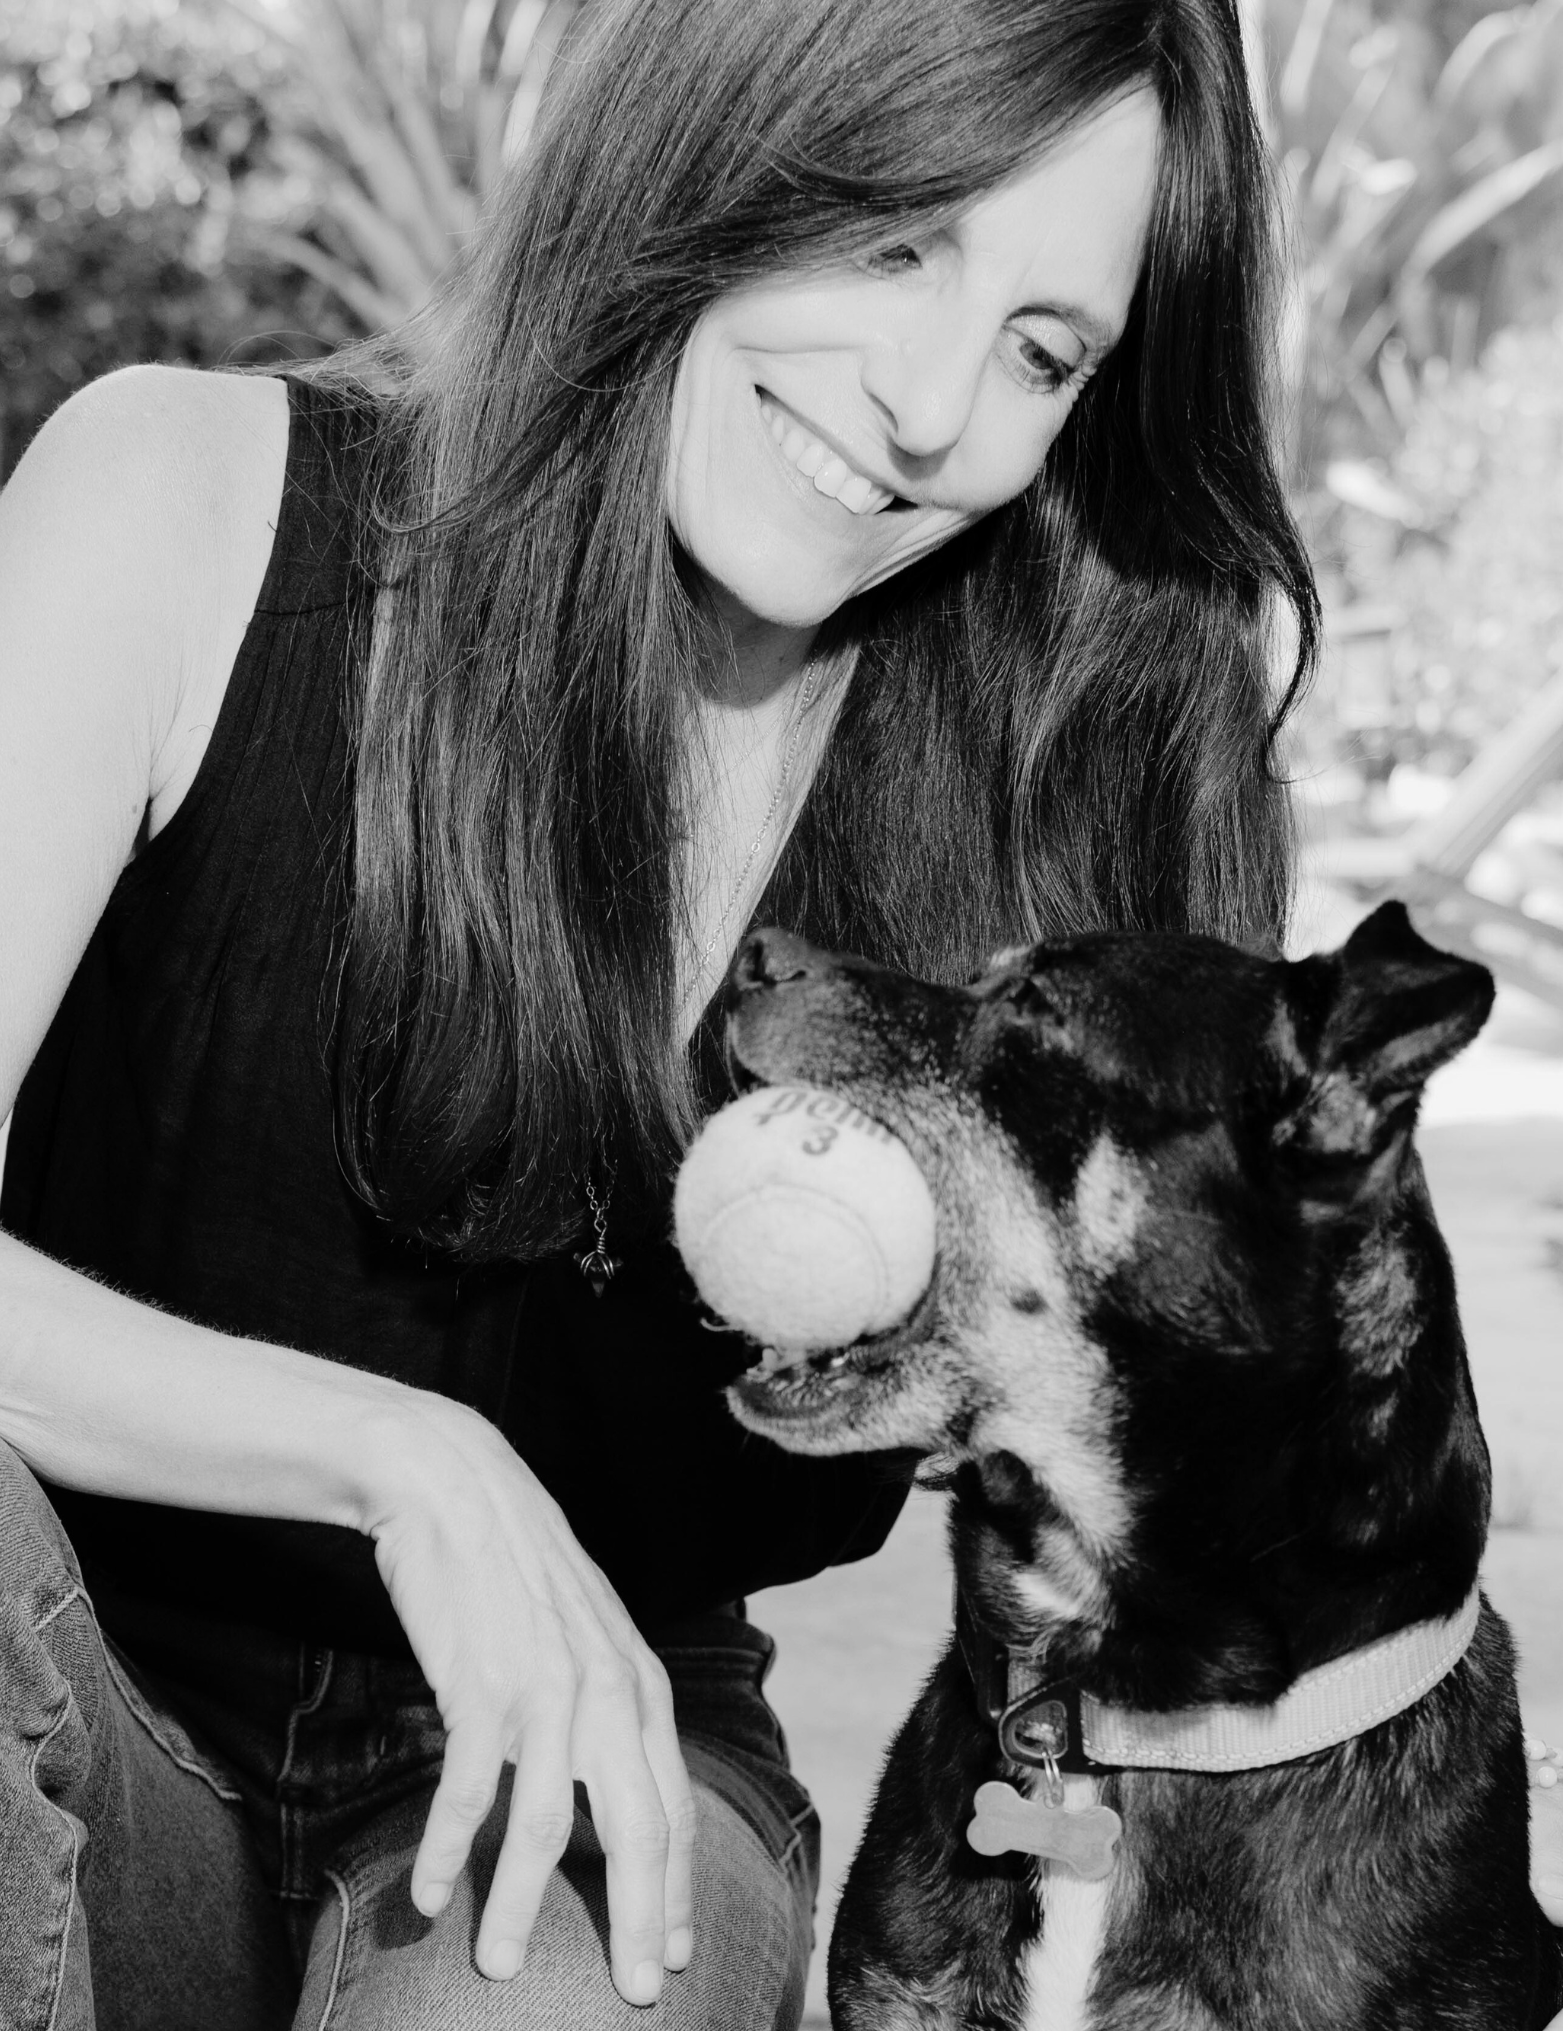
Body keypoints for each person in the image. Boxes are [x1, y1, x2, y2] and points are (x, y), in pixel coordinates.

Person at [3, 0, 1552, 2025]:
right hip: (65, 1695)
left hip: (602, 1765)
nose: (926, 407)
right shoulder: (184, 506)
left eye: (1042, 351)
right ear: (720, 142)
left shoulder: (1079, 783)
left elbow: (1229, 1438)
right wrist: (403, 1462)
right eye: (894, 239)